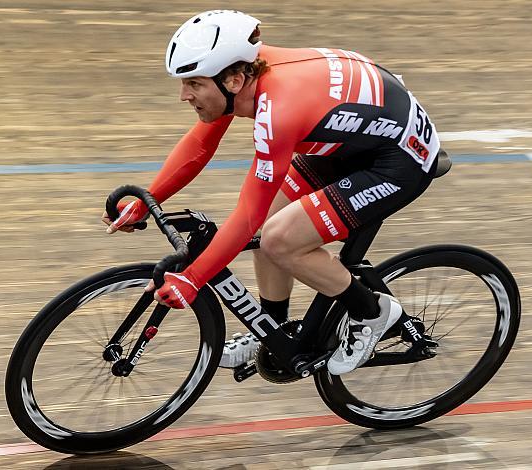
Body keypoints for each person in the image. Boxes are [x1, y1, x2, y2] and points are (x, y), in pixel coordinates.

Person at [102, 10, 440, 375]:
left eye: (194, 84)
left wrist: (194, 280)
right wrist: (146, 201)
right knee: (269, 229)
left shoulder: (278, 108)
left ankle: (371, 312)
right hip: (350, 142)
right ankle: (272, 329)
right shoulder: (246, 74)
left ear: (232, 79)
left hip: (397, 160)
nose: (184, 95)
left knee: (279, 238)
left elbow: (247, 214)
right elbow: (200, 146)